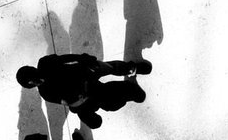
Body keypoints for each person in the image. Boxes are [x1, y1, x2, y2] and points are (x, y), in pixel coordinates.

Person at [16, 53, 151, 128]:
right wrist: (84, 97)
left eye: (34, 77)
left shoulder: (45, 63)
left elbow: (66, 58)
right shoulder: (46, 93)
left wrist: (83, 58)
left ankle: (131, 69)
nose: (38, 81)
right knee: (107, 101)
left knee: (108, 67)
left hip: (83, 72)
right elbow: (68, 102)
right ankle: (129, 91)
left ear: (33, 70)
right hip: (82, 93)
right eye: (33, 83)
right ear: (32, 86)